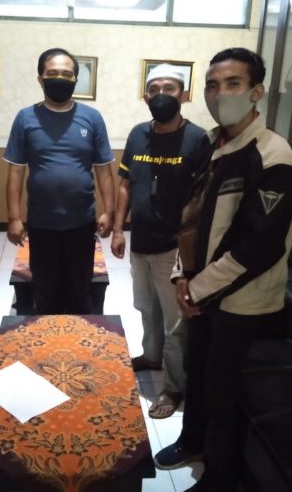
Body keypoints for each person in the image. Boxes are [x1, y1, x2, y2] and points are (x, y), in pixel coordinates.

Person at [153, 48, 292, 491]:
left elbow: (259, 246)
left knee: (223, 388)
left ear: (256, 92)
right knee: (196, 370)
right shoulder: (212, 145)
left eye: (233, 84)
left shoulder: (274, 156)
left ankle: (220, 474)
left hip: (241, 299)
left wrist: (196, 289)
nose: (221, 94)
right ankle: (192, 441)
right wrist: (181, 276)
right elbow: (192, 219)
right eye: (213, 86)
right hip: (201, 291)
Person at [111, 64, 208, 419]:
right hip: (140, 241)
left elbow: (200, 197)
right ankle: (151, 357)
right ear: (145, 96)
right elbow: (125, 185)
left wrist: (185, 242)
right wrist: (119, 229)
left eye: (169, 88)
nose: (161, 95)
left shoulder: (197, 139)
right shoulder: (138, 135)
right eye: (154, 89)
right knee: (145, 306)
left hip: (173, 247)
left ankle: (173, 387)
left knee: (175, 322)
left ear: (184, 94)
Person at [4, 47, 116, 314]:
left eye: (67, 74)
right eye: (52, 73)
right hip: (42, 224)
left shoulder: (92, 118)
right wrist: (13, 217)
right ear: (40, 78)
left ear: (76, 79)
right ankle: (49, 338)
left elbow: (103, 170)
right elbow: (16, 171)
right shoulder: (25, 118)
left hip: (82, 224)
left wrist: (109, 211)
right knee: (45, 292)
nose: (60, 78)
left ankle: (75, 338)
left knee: (80, 292)